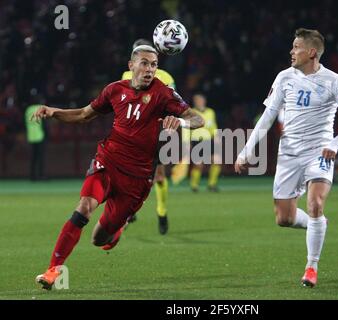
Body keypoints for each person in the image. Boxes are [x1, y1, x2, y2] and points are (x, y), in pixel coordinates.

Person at [33, 44, 204, 290]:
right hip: (108, 161)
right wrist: (54, 112)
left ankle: (119, 227)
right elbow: (83, 114)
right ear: (131, 65)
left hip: (137, 178)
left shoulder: (163, 93)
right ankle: (53, 270)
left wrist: (179, 121)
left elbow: (199, 118)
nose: (149, 70)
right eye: (144, 63)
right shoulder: (114, 90)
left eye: (154, 65)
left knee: (99, 239)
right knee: (83, 209)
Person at [234, 28, 338, 287]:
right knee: (284, 219)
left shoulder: (335, 82)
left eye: (296, 47)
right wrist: (246, 151)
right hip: (289, 154)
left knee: (315, 203)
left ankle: (311, 267)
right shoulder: (284, 78)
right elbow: (268, 117)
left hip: (319, 152)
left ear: (311, 52)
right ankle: (318, 225)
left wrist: (335, 144)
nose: (291, 52)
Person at [122, 39, 176, 234]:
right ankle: (129, 210)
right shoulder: (127, 75)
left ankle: (162, 213)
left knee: (159, 176)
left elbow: (174, 103)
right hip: (133, 132)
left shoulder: (165, 76)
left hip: (158, 131)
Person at [188, 93, 221, 192]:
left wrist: (216, 137)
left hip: (208, 140)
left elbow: (213, 126)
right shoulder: (191, 112)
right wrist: (187, 142)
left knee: (217, 161)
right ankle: (194, 186)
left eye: (201, 100)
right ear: (195, 102)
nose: (200, 102)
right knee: (198, 165)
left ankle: (212, 184)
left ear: (204, 101)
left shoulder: (211, 112)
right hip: (196, 140)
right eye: (197, 101)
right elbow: (187, 128)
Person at [24, 98, 47, 181]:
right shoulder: (40, 108)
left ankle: (32, 176)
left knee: (33, 157)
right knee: (41, 157)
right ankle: (41, 175)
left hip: (30, 136)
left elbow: (25, 122)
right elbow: (44, 122)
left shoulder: (28, 109)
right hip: (39, 135)